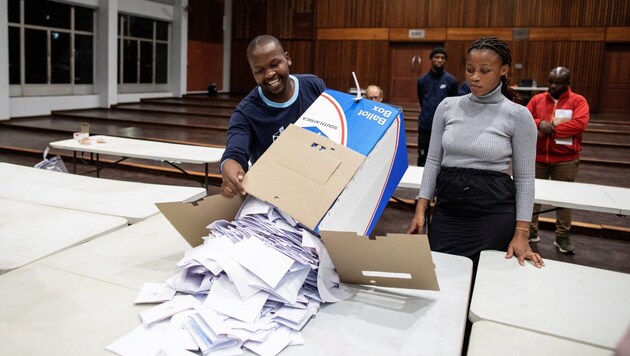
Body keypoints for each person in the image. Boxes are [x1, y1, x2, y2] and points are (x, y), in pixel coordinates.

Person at [406, 36, 544, 269]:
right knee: (442, 279)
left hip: (493, 213)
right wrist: (421, 208)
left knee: (483, 284)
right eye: (470, 69)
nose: (474, 77)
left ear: (503, 70)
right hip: (449, 209)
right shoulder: (448, 107)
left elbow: (524, 179)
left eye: (484, 70)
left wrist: (522, 232)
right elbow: (432, 162)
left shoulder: (518, 116)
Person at [220, 35, 326, 198]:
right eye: (259, 70)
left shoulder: (313, 86)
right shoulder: (246, 112)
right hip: (276, 194)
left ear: (287, 58)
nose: (269, 74)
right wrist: (233, 175)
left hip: (319, 182)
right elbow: (234, 154)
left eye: (275, 64)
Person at [527, 67, 589, 254]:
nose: (552, 86)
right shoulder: (538, 99)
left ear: (567, 84)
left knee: (564, 201)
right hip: (538, 158)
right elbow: (525, 117)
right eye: (550, 81)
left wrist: (550, 129)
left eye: (557, 83)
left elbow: (579, 124)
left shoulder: (578, 101)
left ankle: (562, 236)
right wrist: (539, 123)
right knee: (531, 197)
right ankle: (530, 231)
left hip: (565, 160)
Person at [416, 47, 458, 166]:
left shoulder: (451, 81)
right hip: (425, 125)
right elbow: (421, 100)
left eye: (443, 58)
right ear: (431, 59)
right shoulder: (422, 80)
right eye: (436, 57)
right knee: (423, 157)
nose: (440, 60)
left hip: (444, 126)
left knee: (442, 158)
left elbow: (454, 103)